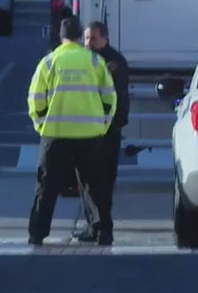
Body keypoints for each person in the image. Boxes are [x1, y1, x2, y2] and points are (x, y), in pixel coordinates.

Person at [26, 17, 118, 246]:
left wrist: (41, 125)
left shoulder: (49, 62)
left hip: (55, 134)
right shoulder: (95, 62)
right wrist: (102, 125)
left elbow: (35, 98)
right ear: (79, 37)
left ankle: (37, 233)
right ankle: (102, 231)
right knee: (94, 185)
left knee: (46, 186)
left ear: (61, 37)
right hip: (90, 135)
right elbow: (110, 98)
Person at [74, 21, 130, 243]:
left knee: (103, 181)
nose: (88, 43)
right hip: (87, 131)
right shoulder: (86, 60)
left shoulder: (113, 62)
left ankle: (104, 227)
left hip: (106, 131)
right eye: (86, 38)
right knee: (87, 181)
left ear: (105, 39)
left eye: (93, 38)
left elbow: (117, 99)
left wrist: (113, 125)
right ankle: (94, 225)